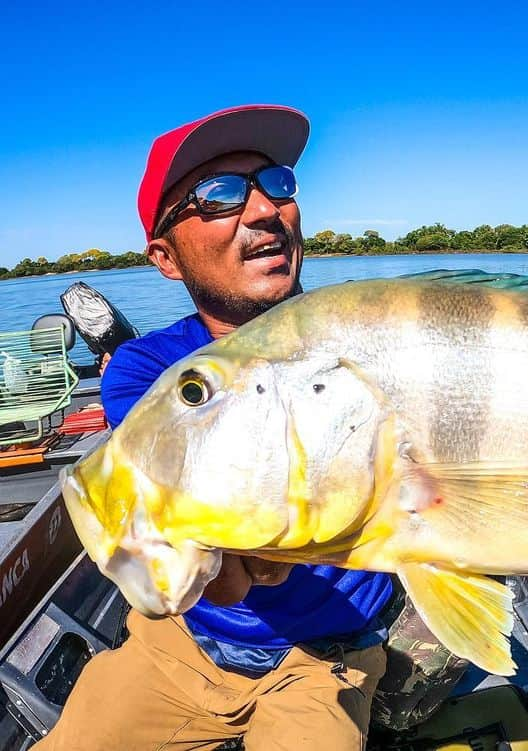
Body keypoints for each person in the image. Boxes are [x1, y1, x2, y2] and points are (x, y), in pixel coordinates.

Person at [37, 105, 394, 751]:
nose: (264, 210)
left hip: (326, 659)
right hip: (180, 651)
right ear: (166, 257)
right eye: (220, 194)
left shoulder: (368, 337)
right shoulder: (149, 373)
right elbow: (214, 577)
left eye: (277, 183)